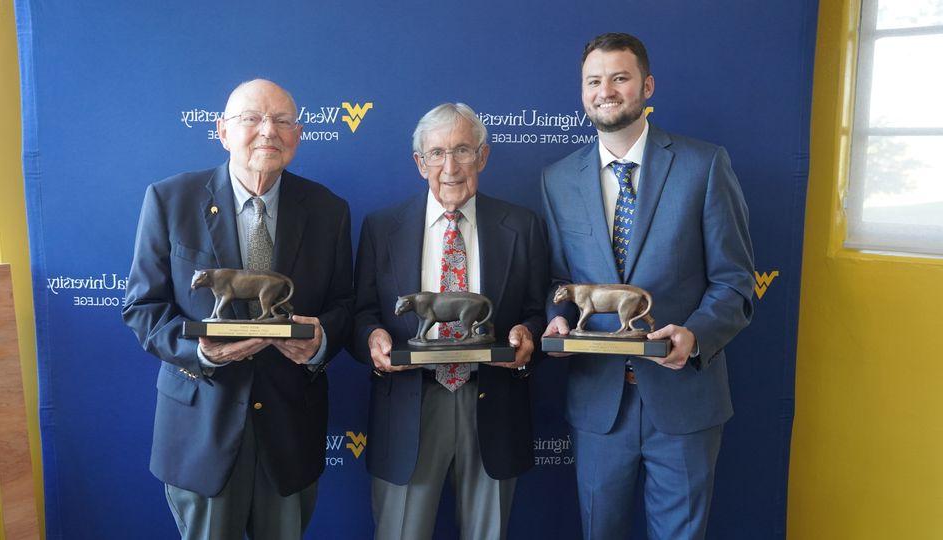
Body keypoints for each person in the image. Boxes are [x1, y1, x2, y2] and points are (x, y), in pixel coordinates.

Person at [541, 33, 755, 539]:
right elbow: (559, 281)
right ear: (582, 91)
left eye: (620, 77)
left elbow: (735, 281)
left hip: (684, 401)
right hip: (599, 406)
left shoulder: (704, 166)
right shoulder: (556, 179)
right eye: (594, 80)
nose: (606, 90)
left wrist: (694, 336)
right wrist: (559, 320)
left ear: (647, 85)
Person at [123, 79, 353, 539]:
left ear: (298, 135)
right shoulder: (170, 200)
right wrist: (201, 353)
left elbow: (345, 306)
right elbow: (143, 307)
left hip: (290, 431)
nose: (267, 131)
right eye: (251, 118)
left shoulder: (329, 210)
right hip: (201, 426)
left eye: (282, 121)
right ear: (222, 131)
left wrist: (320, 341)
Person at [350, 102, 548, 540]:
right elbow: (360, 312)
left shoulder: (523, 225)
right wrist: (373, 338)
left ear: (483, 156)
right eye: (437, 153)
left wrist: (527, 335)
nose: (450, 166)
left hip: (494, 403)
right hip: (408, 403)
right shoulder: (382, 227)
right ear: (420, 164)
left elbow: (538, 311)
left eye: (462, 150)